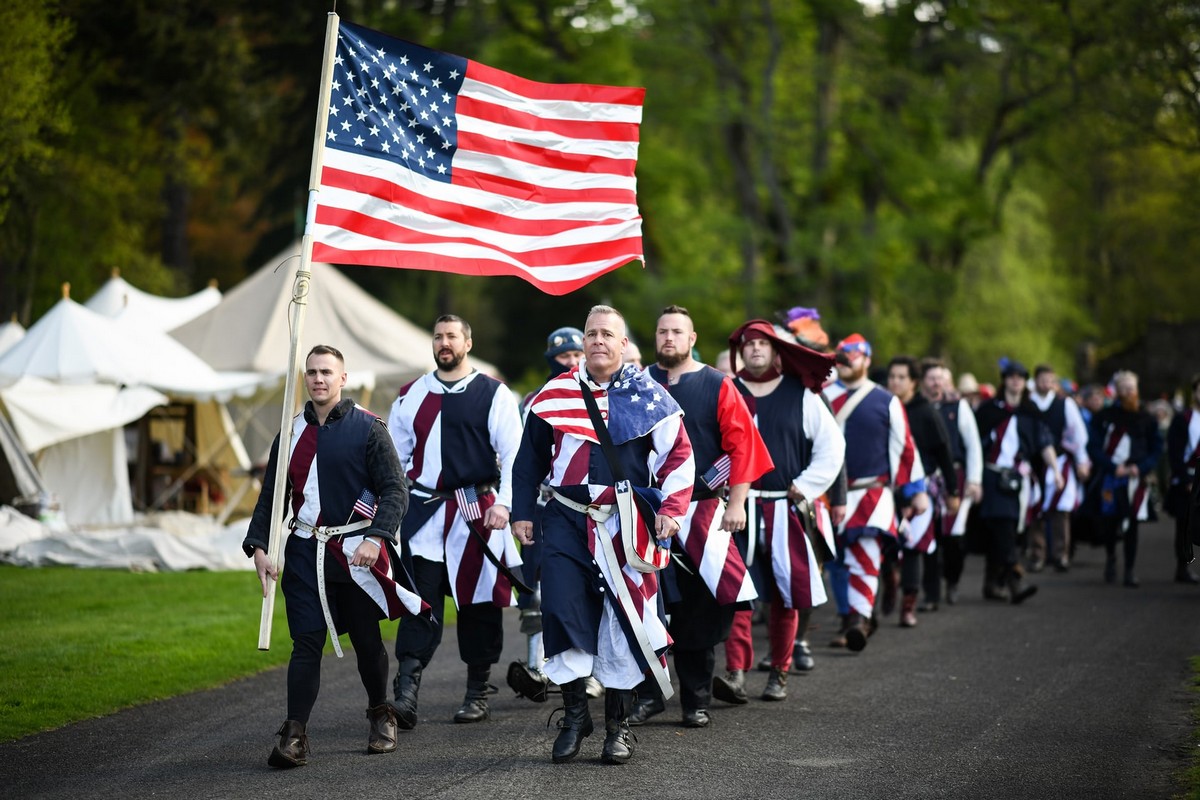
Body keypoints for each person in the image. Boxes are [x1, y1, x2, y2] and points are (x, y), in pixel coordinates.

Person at [512, 304, 694, 765]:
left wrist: (671, 510)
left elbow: (678, 457)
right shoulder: (553, 395)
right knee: (560, 610)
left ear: (623, 344)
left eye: (606, 334)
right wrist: (521, 512)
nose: (597, 341)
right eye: (591, 333)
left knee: (623, 620)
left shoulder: (649, 396)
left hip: (624, 524)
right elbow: (528, 459)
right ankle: (576, 715)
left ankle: (619, 725)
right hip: (564, 519)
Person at [244, 345, 422, 768]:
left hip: (355, 554)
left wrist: (376, 538)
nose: (318, 379)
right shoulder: (288, 435)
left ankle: (381, 712)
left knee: (365, 640)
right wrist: (260, 547)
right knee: (306, 641)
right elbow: (273, 498)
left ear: (343, 378)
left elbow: (395, 491)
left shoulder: (368, 429)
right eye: (311, 372)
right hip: (306, 552)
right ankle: (294, 734)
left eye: (327, 372)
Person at [630, 307, 773, 725]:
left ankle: (695, 699)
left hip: (701, 509)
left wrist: (734, 503)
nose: (668, 338)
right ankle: (649, 694)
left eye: (677, 332)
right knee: (642, 605)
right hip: (644, 511)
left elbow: (742, 447)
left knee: (699, 606)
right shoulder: (639, 384)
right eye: (662, 331)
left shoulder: (717, 385)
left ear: (692, 339)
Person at [388, 315, 524, 727]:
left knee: (479, 605)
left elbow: (515, 455)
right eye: (438, 337)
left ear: (468, 341)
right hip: (425, 516)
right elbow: (394, 459)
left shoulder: (494, 394)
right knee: (418, 603)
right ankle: (406, 693)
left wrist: (505, 504)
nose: (444, 343)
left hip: (477, 515)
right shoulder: (412, 395)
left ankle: (477, 691)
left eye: (451, 337)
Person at [711, 318, 842, 702]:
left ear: (775, 350)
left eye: (762, 344)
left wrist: (806, 486)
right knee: (736, 594)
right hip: (738, 509)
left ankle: (780, 672)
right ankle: (735, 673)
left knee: (786, 594)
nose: (754, 349)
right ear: (740, 351)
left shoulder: (801, 395)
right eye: (748, 343)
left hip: (784, 507)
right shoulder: (727, 390)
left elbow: (832, 448)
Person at [823, 333, 927, 650]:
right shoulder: (821, 396)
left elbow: (905, 448)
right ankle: (848, 617)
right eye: (841, 355)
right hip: (827, 494)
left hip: (871, 492)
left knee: (865, 557)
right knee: (835, 562)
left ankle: (859, 619)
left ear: (867, 359)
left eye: (852, 355)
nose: (846, 361)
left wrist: (915, 490)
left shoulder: (886, 401)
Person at [974, 361, 1059, 603]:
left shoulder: (1029, 412)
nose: (1015, 381)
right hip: (991, 475)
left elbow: (1044, 443)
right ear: (1004, 380)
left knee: (1009, 530)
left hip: (1019, 478)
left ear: (1025, 382)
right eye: (1011, 377)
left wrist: (1056, 470)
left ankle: (993, 583)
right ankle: (1015, 579)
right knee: (1003, 526)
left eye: (1020, 377)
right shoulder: (989, 409)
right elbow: (973, 442)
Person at [886, 356, 958, 627]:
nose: (895, 382)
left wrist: (953, 490)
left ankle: (909, 604)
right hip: (885, 488)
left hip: (919, 487)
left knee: (914, 546)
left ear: (913, 382)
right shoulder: (881, 406)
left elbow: (944, 452)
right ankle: (889, 579)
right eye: (892, 376)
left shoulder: (926, 412)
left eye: (901, 377)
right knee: (885, 544)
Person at [1087, 370, 1161, 587]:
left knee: (1132, 525)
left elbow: (1156, 448)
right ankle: (1111, 558)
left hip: (1136, 479)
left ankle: (1130, 569)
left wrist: (1142, 467)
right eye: (1124, 388)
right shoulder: (1104, 417)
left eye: (1132, 387)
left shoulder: (1146, 419)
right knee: (1109, 522)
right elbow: (1093, 447)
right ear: (1117, 391)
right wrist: (1112, 467)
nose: (1129, 391)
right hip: (1112, 478)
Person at [920, 361, 983, 607]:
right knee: (928, 536)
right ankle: (931, 594)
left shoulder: (958, 407)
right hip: (925, 479)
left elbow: (973, 445)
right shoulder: (918, 408)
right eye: (931, 378)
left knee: (953, 536)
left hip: (954, 478)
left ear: (948, 382)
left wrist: (974, 480)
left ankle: (953, 581)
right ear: (924, 381)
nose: (936, 383)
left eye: (940, 378)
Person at [1028, 364, 1091, 572]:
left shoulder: (1065, 404)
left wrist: (1082, 460)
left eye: (1050, 379)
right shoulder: (1028, 403)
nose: (1046, 383)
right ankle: (1037, 555)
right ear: (1036, 380)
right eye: (1042, 379)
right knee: (1035, 510)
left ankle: (1060, 554)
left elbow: (1078, 435)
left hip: (1061, 462)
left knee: (1061, 511)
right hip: (1033, 463)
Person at [1166, 373, 1200, 583]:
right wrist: (1186, 480)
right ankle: (1183, 566)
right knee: (1185, 527)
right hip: (1187, 479)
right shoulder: (1183, 419)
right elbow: (1175, 452)